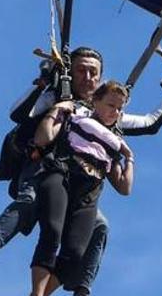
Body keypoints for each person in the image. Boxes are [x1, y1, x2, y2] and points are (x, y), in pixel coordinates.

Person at [0, 46, 162, 295]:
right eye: (81, 71)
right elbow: (18, 114)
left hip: (82, 186)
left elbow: (149, 123)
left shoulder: (109, 113)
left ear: (101, 78)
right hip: (47, 169)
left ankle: (76, 288)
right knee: (31, 200)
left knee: (99, 227)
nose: (88, 77)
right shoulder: (58, 98)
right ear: (71, 72)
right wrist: (45, 83)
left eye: (94, 73)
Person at [30, 80, 133, 296]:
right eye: (110, 105)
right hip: (63, 174)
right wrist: (58, 108)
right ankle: (37, 293)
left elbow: (124, 188)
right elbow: (44, 135)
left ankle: (41, 295)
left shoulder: (113, 142)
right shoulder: (78, 115)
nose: (115, 112)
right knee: (52, 231)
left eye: (119, 109)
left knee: (76, 253)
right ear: (95, 101)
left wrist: (129, 158)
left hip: (88, 194)